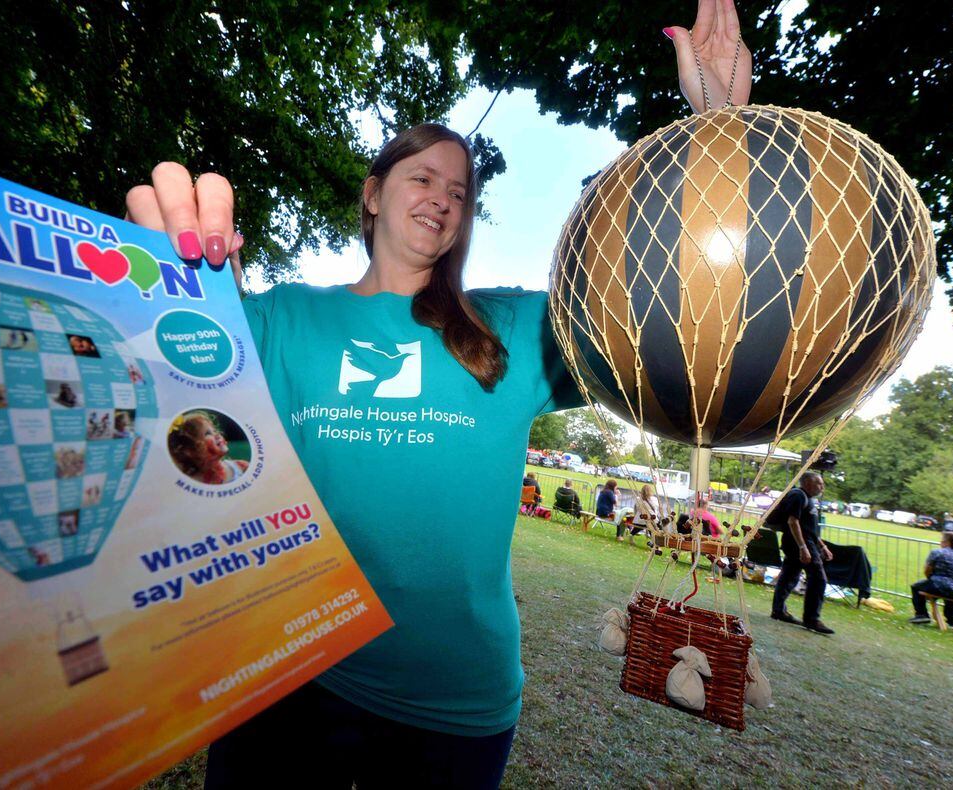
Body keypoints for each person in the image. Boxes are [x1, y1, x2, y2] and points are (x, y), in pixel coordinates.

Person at [124, 2, 751, 784]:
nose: (444, 199)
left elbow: (679, 310)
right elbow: (159, 371)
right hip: (287, 677)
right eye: (423, 177)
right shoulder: (287, 315)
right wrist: (165, 268)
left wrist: (721, 134)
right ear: (374, 194)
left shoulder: (512, 328)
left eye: (460, 191)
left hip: (453, 708)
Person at [767, 472, 835, 635]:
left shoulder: (807, 498)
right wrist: (803, 548)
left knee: (789, 576)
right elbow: (793, 521)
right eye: (819, 483)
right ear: (807, 483)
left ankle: (779, 611)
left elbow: (809, 528)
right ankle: (811, 618)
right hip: (799, 544)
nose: (822, 487)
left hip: (803, 543)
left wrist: (823, 546)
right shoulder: (798, 496)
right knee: (818, 578)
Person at [908, 531, 953, 627]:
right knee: (950, 591)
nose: (940, 543)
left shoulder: (937, 553)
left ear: (947, 543)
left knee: (917, 587)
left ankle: (921, 615)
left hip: (946, 586)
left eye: (942, 541)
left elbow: (927, 570)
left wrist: (931, 579)